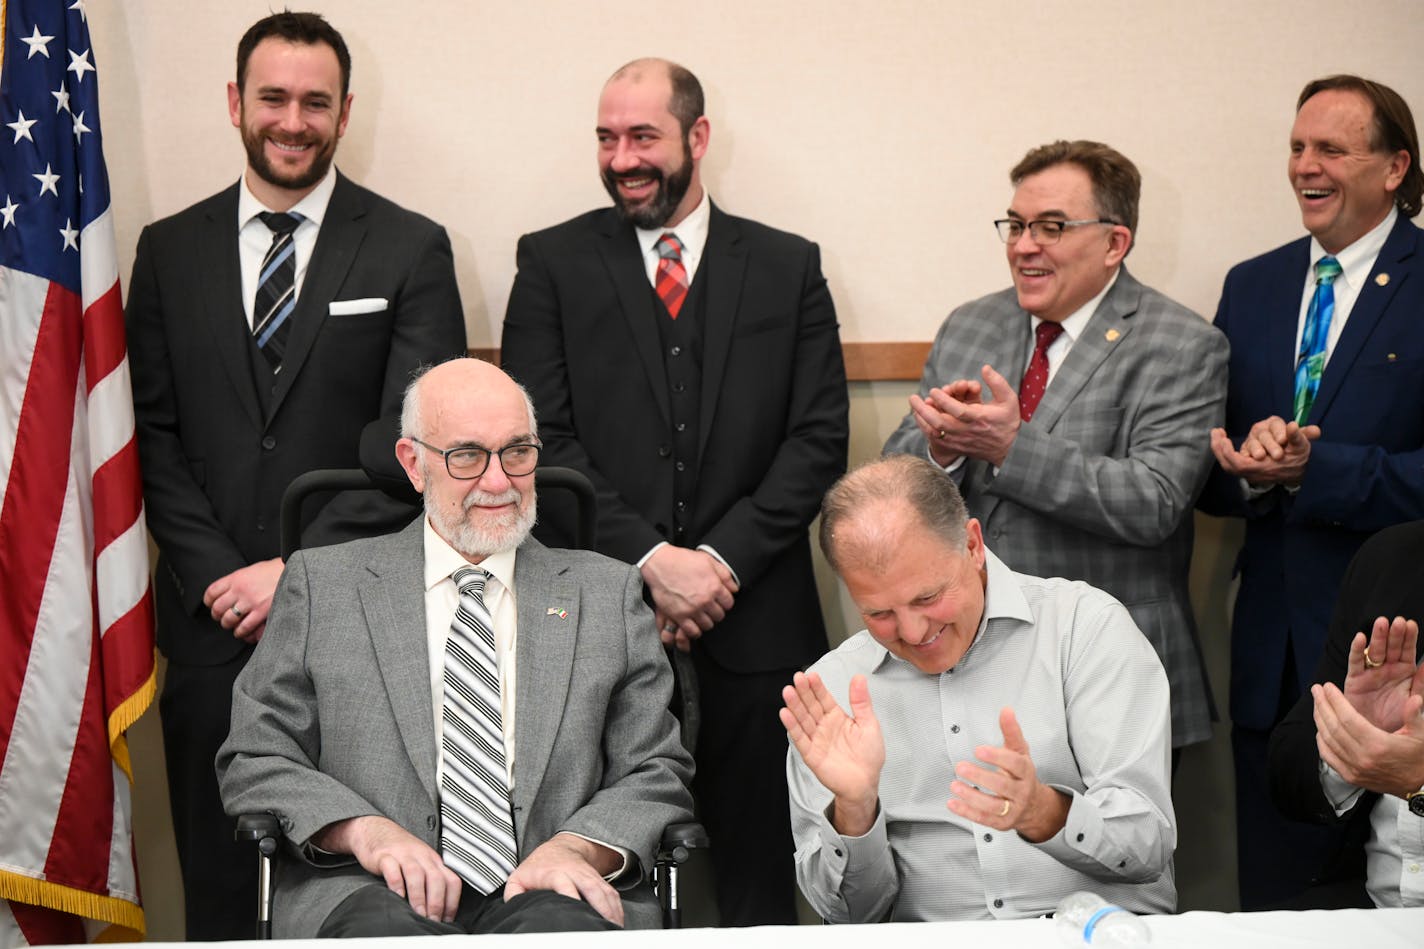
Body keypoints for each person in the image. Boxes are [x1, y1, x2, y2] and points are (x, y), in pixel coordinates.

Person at [124, 11, 466, 939]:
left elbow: (421, 443)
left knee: (359, 887)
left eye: (316, 101)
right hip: (210, 625)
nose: (292, 119)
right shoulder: (167, 251)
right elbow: (150, 435)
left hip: (358, 625)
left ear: (345, 112)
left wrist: (296, 575)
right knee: (221, 888)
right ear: (236, 103)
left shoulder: (410, 247)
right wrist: (222, 576)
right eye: (273, 97)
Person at [500, 57, 848, 925]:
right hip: (597, 617)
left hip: (760, 618)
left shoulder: (786, 264)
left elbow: (817, 440)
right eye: (607, 138)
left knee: (763, 865)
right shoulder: (549, 262)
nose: (623, 158)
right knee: (605, 863)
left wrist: (718, 563)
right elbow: (539, 440)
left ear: (696, 138)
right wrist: (654, 562)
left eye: (643, 136)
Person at [216, 357, 695, 937]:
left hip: (553, 891)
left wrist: (575, 849)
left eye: (517, 452)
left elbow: (655, 768)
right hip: (367, 890)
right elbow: (257, 755)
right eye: (467, 455)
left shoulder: (606, 592)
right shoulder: (324, 585)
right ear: (413, 463)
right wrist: (365, 831)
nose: (498, 481)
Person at [883, 140, 1227, 758]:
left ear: (1114, 243)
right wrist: (942, 451)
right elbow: (894, 480)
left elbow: (1154, 502)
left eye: (1051, 227)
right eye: (1015, 225)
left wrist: (1012, 447)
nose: (1023, 245)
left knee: (1108, 851)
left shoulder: (1183, 343)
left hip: (1108, 661)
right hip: (969, 656)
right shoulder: (972, 323)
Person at [1198, 74, 1424, 909]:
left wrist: (1319, 468)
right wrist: (1245, 463)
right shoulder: (1251, 285)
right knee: (1278, 900)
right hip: (1272, 658)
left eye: (1331, 148)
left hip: (1402, 650)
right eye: (1297, 147)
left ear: (1395, 167)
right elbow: (1211, 475)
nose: (1305, 165)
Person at [782, 455, 1176, 922]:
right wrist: (855, 809)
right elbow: (849, 917)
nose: (911, 631)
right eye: (878, 614)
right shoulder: (829, 692)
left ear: (972, 544)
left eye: (927, 597)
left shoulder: (1083, 629)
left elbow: (1147, 844)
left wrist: (1044, 813)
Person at [1269, 521, 1424, 909]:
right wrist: (1350, 740)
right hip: (1371, 902)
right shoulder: (1395, 558)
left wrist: (1417, 783)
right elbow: (1288, 774)